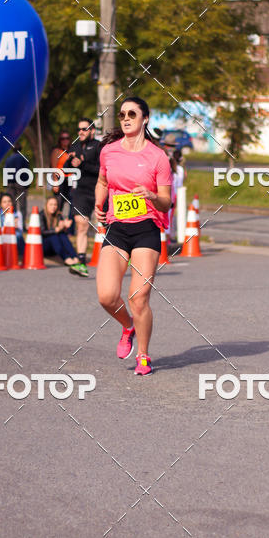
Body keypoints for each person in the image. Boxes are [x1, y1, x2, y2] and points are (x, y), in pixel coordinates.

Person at [95, 97, 172, 376]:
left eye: (132, 114)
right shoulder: (109, 152)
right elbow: (102, 182)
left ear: (145, 119)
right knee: (106, 296)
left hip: (146, 229)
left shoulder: (157, 157)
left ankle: (143, 354)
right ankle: (127, 325)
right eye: (122, 114)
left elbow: (166, 202)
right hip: (117, 229)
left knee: (138, 297)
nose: (126, 118)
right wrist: (97, 204)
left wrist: (151, 195)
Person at [67, 118, 101, 276]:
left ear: (92, 131)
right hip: (81, 191)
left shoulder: (99, 146)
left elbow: (101, 170)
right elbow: (68, 168)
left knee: (109, 225)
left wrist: (82, 164)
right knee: (81, 223)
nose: (80, 131)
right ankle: (81, 262)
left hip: (99, 189)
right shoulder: (74, 147)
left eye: (84, 129)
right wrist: (70, 161)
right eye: (79, 129)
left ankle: (123, 255)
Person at [39, 196, 86, 275]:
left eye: (55, 205)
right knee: (53, 236)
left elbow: (62, 234)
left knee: (62, 235)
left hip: (55, 247)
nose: (53, 207)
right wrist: (56, 229)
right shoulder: (41, 215)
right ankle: (66, 258)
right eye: (51, 205)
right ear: (46, 205)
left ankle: (74, 257)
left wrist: (65, 227)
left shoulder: (58, 215)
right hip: (44, 246)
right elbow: (42, 232)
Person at [3, 145, 29, 227]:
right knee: (22, 204)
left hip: (11, 183)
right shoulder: (23, 158)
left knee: (11, 203)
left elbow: (5, 170)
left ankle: (11, 222)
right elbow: (26, 171)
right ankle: (22, 224)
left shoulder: (9, 159)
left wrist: (6, 182)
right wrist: (27, 184)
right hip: (21, 183)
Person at [49, 131, 72, 215]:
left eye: (67, 138)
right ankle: (57, 224)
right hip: (60, 179)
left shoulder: (71, 150)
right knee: (59, 204)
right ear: (60, 140)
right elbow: (53, 167)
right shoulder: (57, 151)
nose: (65, 140)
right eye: (63, 138)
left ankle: (69, 225)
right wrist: (55, 182)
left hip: (70, 180)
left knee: (72, 203)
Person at [0, 191, 25, 261]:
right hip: (2, 238)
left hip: (15, 237)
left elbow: (20, 229)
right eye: (4, 202)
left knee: (18, 235)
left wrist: (15, 226)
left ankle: (21, 256)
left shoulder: (18, 214)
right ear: (1, 204)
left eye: (9, 201)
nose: (7, 203)